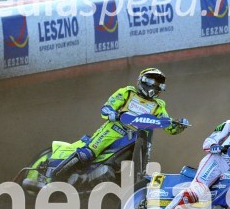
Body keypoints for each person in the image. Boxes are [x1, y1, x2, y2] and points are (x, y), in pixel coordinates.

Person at [52, 68, 187, 180]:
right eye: (153, 82)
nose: (156, 86)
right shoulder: (128, 92)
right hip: (114, 130)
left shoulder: (158, 106)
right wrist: (115, 114)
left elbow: (169, 127)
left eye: (159, 84)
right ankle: (56, 175)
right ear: (143, 81)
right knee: (87, 153)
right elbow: (106, 109)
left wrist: (179, 125)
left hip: (137, 137)